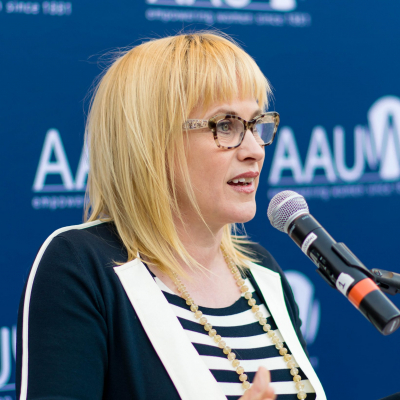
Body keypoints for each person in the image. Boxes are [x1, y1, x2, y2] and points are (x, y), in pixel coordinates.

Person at [16, 32, 326, 400]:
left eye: (257, 124)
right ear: (151, 142)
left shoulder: (262, 272)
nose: (254, 149)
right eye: (226, 126)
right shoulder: (81, 266)